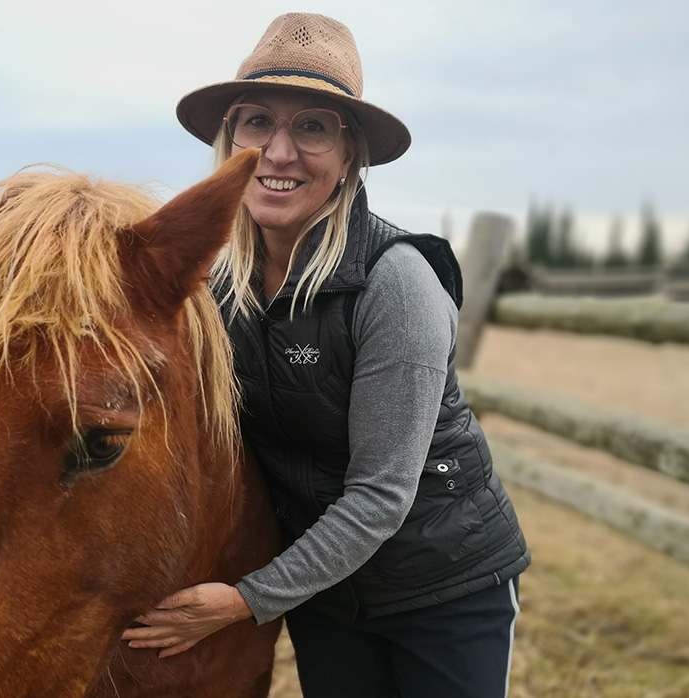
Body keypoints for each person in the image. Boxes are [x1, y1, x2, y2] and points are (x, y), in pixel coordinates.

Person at [120, 13, 530, 697]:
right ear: (229, 144)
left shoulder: (395, 284)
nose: (278, 152)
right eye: (255, 122)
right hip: (325, 592)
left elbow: (381, 496)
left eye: (311, 127)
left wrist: (245, 599)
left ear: (349, 156)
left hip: (443, 586)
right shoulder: (214, 289)